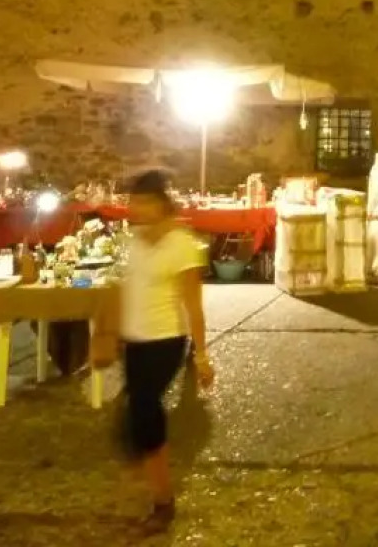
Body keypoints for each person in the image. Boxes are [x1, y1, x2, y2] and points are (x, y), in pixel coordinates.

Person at [116, 170, 211, 533]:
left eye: (140, 201)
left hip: (166, 340)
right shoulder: (135, 241)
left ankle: (163, 502)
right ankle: (152, 479)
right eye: (132, 201)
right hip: (135, 340)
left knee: (144, 412)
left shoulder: (182, 244)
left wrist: (201, 356)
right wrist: (109, 336)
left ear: (159, 204)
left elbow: (193, 304)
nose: (133, 208)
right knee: (133, 419)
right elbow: (127, 290)